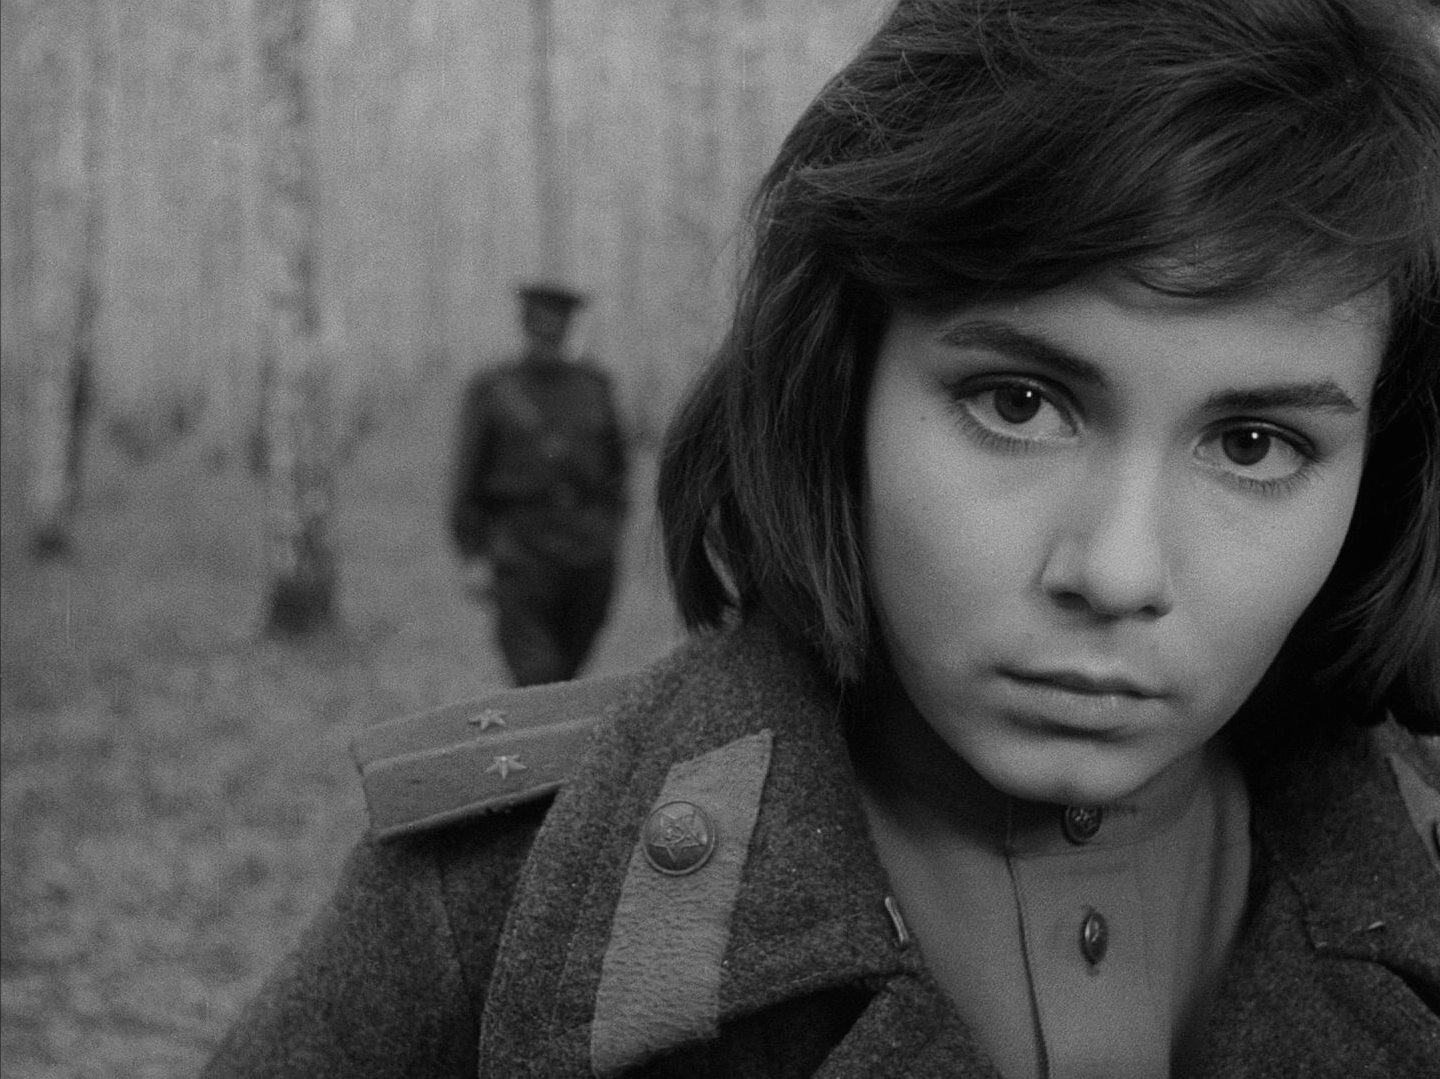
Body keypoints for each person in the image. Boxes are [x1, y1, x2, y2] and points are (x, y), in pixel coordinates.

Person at [204, 0, 1440, 1075]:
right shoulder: (499, 902)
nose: (1118, 570)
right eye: (1019, 403)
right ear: (839, 384)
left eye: (1254, 444)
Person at [448, 283, 629, 686]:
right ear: (525, 328)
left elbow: (618, 473)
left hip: (588, 551)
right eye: (539, 328)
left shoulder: (595, 387)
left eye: (555, 328)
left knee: (569, 669)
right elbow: (468, 477)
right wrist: (472, 553)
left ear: (567, 330)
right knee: (536, 674)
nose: (547, 337)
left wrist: (610, 536)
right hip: (521, 549)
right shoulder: (493, 390)